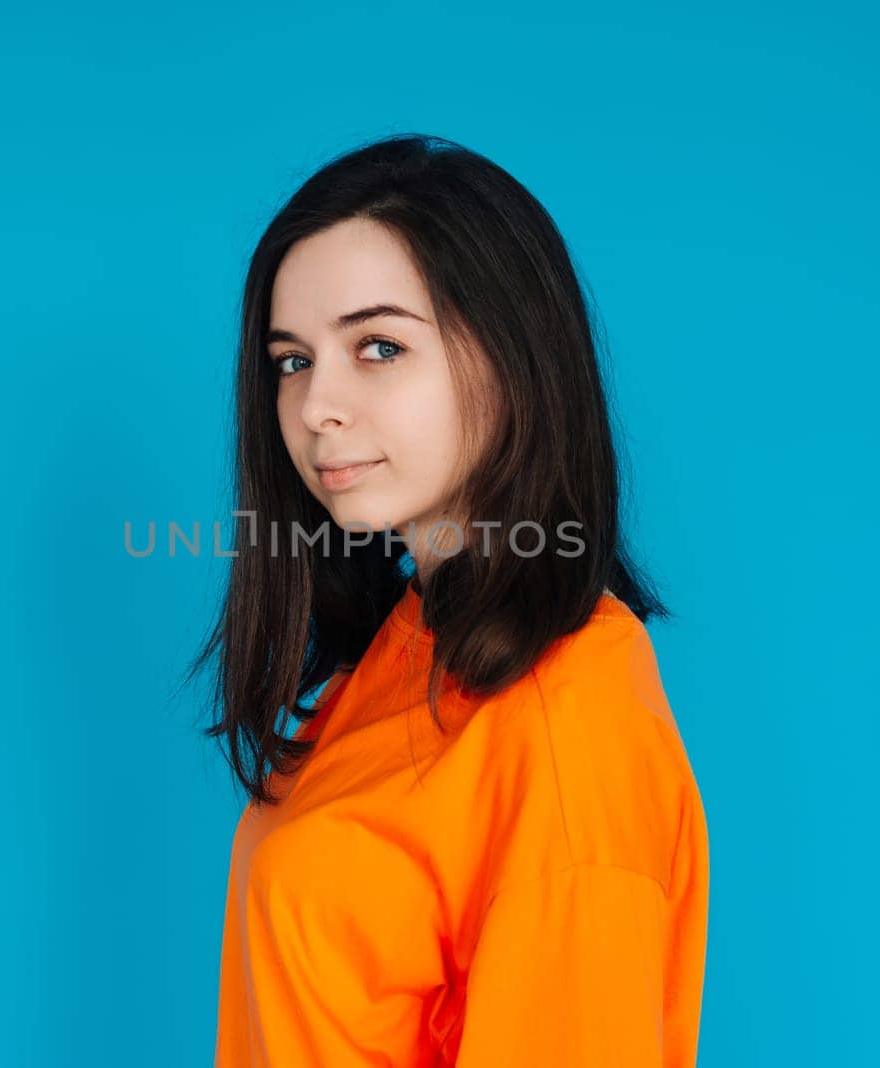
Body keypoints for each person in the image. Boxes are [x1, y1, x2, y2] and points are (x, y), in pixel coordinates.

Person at [185, 133, 709, 1066]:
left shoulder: (564, 724)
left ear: (512, 359)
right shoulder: (408, 645)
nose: (314, 408)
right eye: (292, 359)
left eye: (377, 347)